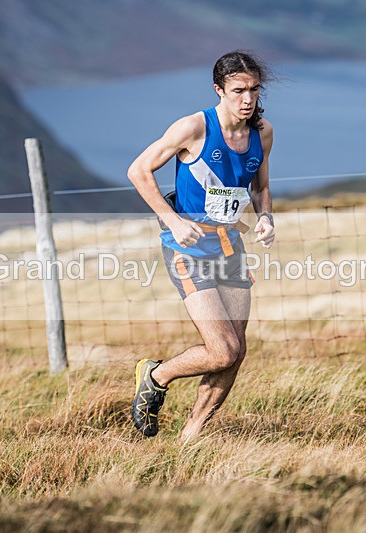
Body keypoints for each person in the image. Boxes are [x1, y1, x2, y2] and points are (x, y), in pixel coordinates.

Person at [126, 50, 275, 441]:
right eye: (239, 90)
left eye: (254, 90)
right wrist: (173, 220)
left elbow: (260, 186)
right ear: (219, 90)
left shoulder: (263, 133)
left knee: (236, 351)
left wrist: (265, 217)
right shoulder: (193, 128)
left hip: (230, 248)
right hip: (188, 251)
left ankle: (190, 437)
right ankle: (156, 375)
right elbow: (138, 170)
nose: (248, 99)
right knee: (222, 350)